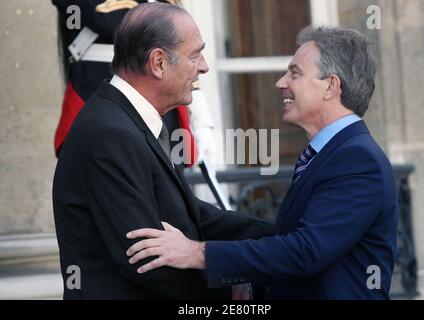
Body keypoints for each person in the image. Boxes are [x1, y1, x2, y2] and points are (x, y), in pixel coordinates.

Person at [125, 26, 399, 300]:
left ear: (331, 86)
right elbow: (295, 246)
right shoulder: (335, 153)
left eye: (295, 73)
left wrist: (196, 253)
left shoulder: (357, 160)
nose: (281, 83)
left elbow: (305, 252)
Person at [52, 2, 272, 299]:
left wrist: (283, 238)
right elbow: (147, 261)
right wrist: (229, 291)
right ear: (158, 63)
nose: (205, 66)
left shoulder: (129, 119)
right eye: (195, 55)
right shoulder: (112, 133)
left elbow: (191, 214)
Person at [52, 0, 200, 166]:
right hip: (99, 99)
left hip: (161, 102)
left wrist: (200, 109)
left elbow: (181, 43)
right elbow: (106, 20)